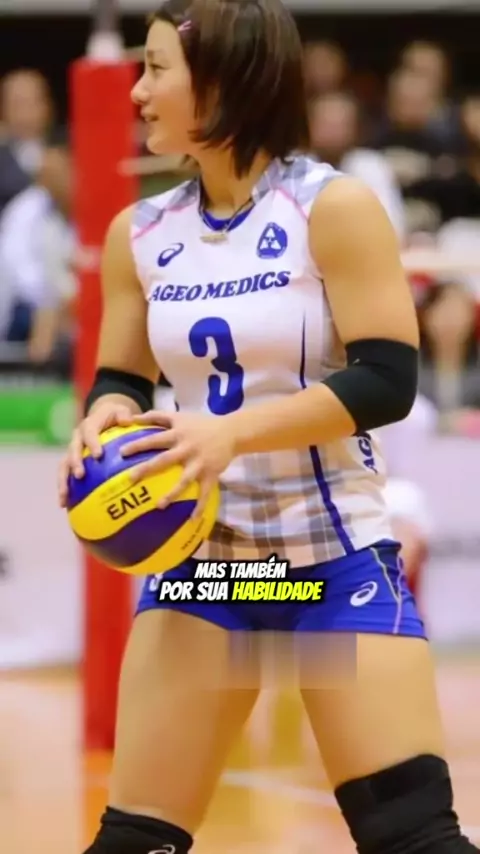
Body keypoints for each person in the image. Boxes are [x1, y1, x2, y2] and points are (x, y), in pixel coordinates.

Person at [58, 1, 478, 852]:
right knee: (134, 842)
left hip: (330, 560)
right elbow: (122, 377)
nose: (138, 91)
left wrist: (232, 435)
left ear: (224, 82)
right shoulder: (141, 232)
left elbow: (387, 380)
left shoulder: (333, 206)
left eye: (157, 69)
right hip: (211, 571)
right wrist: (107, 414)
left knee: (413, 840)